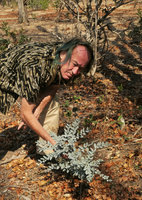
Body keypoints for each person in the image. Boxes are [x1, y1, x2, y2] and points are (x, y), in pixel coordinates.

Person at [0, 38, 94, 152]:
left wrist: (39, 109)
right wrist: (54, 143)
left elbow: (54, 86)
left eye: (80, 68)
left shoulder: (65, 62)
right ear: (63, 54)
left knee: (52, 104)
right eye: (75, 65)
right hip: (4, 74)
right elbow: (25, 113)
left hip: (32, 74)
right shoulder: (35, 66)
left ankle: (47, 153)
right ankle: (52, 146)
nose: (75, 71)